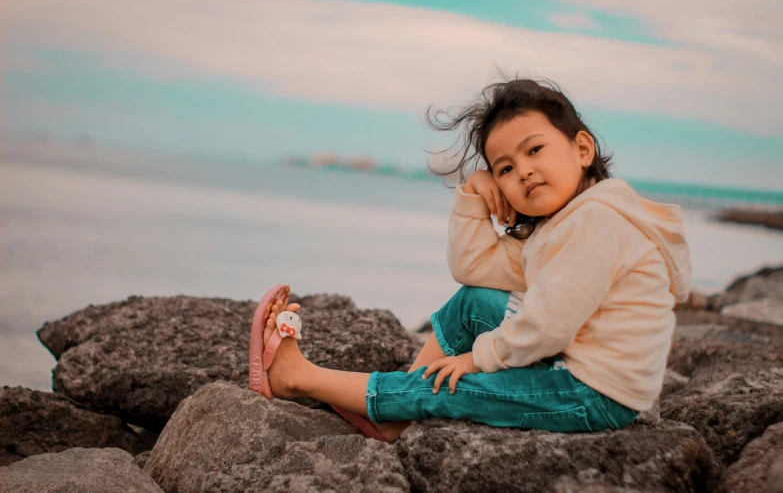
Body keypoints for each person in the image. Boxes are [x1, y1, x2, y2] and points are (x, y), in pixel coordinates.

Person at [249, 77, 692, 443]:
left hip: (594, 392)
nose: (522, 171)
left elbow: (549, 324)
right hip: (575, 363)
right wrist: (473, 194)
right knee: (474, 301)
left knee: (456, 385)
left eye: (534, 150)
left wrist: (477, 359)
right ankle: (395, 417)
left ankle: (297, 378)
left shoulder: (595, 222)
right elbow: (475, 270)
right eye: (504, 167)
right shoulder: (565, 224)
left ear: (581, 149)